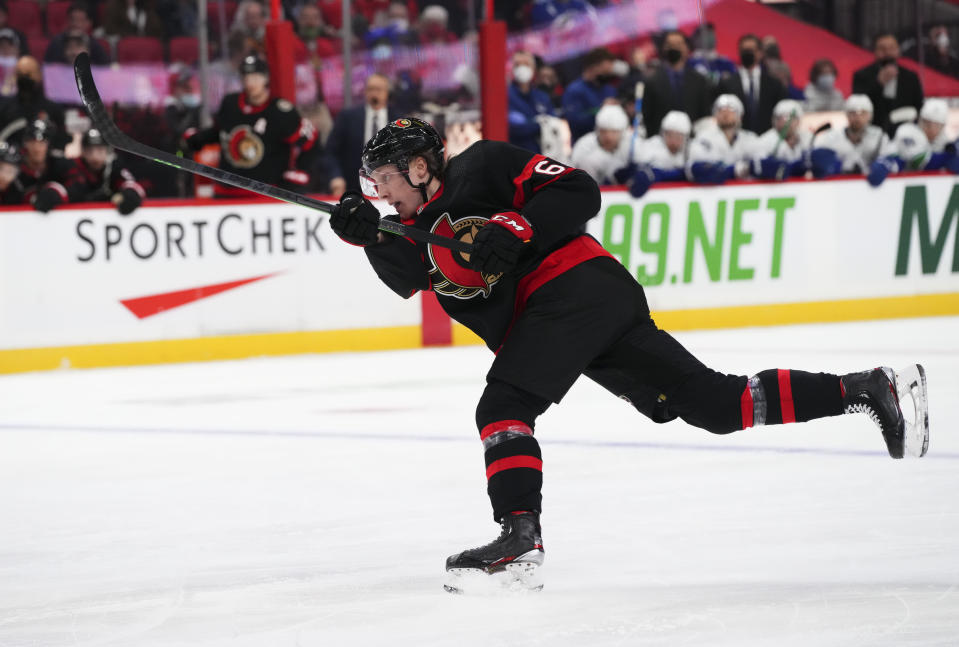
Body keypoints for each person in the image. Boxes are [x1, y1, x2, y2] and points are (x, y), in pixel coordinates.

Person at [324, 116, 928, 593]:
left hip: (576, 288)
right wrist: (366, 234)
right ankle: (869, 387)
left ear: (421, 165)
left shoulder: (482, 165)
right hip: (569, 315)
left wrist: (518, 225)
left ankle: (518, 537)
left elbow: (578, 188)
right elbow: (407, 273)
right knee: (717, 405)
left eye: (383, 179)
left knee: (504, 404)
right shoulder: (407, 231)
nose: (376, 190)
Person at [184, 55, 318, 198]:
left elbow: (311, 141)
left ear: (265, 78)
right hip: (226, 191)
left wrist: (301, 171)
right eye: (246, 77)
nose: (250, 83)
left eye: (255, 77)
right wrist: (198, 138)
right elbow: (221, 132)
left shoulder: (281, 111)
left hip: (267, 194)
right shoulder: (231, 104)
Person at [325, 73, 396, 196]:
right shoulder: (347, 117)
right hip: (353, 187)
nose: (374, 93)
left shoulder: (398, 119)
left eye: (378, 89)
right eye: (370, 89)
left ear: (387, 92)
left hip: (390, 188)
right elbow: (330, 152)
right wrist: (335, 177)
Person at [866, 98, 959, 187]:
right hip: (892, 177)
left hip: (916, 184)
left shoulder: (942, 137)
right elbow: (919, 162)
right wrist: (948, 157)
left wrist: (953, 152)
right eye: (927, 122)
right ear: (920, 120)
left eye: (937, 125)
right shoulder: (907, 131)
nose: (931, 128)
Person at [641, 30, 712, 137]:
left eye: (678, 44)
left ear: (687, 48)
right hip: (661, 142)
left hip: (693, 140)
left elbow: (704, 115)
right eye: (670, 44)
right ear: (664, 48)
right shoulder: (652, 81)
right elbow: (647, 116)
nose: (674, 48)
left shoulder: (699, 80)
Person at [852, 33, 923, 137]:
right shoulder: (862, 76)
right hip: (871, 132)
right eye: (882, 49)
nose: (887, 52)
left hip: (904, 131)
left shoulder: (911, 77)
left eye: (891, 48)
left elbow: (919, 106)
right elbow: (857, 104)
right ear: (875, 51)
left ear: (898, 50)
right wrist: (879, 83)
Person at [810, 94, 896, 180]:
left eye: (863, 113)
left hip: (870, 188)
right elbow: (816, 161)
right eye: (853, 113)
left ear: (870, 115)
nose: (858, 117)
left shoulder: (879, 136)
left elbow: (893, 161)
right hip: (840, 186)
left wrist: (885, 165)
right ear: (846, 115)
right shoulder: (831, 137)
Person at [716, 33, 788, 135]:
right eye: (744, 50)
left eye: (751, 50)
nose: (747, 54)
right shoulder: (727, 84)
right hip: (736, 140)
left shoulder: (774, 84)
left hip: (766, 139)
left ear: (760, 53)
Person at [65, 130, 145, 214]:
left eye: (99, 150)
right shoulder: (75, 166)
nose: (94, 156)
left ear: (107, 151)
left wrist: (130, 194)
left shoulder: (114, 166)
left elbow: (131, 184)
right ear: (83, 152)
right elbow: (69, 190)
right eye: (89, 151)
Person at [687, 93, 759, 184]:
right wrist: (734, 170)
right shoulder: (704, 137)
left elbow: (759, 165)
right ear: (715, 115)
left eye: (731, 110)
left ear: (740, 116)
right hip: (713, 194)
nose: (725, 114)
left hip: (745, 193)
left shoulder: (750, 138)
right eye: (721, 110)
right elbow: (702, 170)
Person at [0, 56, 67, 150]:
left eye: (28, 75)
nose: (24, 79)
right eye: (20, 75)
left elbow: (60, 142)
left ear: (39, 75)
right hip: (11, 158)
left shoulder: (53, 109)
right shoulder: (4, 108)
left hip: (44, 160)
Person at [626, 109, 691, 198]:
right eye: (669, 135)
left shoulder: (689, 151)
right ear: (663, 133)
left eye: (678, 136)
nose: (673, 141)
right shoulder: (650, 148)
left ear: (685, 138)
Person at [561, 47, 618, 142]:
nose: (607, 77)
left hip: (610, 144)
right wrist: (601, 111)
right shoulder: (574, 91)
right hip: (585, 145)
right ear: (592, 68)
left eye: (609, 73)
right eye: (604, 72)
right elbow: (575, 121)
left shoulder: (609, 89)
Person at [17, 120, 74, 213]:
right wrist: (30, 197)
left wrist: (58, 192)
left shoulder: (61, 165)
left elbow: (79, 187)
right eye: (32, 142)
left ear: (49, 145)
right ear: (25, 144)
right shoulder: (17, 169)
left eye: (42, 142)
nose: (37, 148)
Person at [569, 104, 631, 185]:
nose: (609, 137)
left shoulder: (630, 144)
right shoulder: (584, 146)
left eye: (614, 132)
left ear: (622, 132)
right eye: (604, 131)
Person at [507, 50, 555, 154]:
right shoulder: (505, 97)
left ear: (533, 69)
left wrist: (530, 124)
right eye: (517, 65)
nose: (522, 68)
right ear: (512, 69)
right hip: (515, 155)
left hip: (542, 154)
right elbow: (515, 129)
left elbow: (553, 124)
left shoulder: (542, 97)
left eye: (526, 64)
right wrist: (539, 124)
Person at [750, 98, 810, 180]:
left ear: (798, 121)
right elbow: (759, 167)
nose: (786, 122)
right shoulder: (764, 141)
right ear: (774, 121)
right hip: (773, 189)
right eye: (781, 118)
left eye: (791, 118)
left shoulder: (807, 138)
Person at [44, 3, 111, 65]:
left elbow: (105, 68)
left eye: (80, 20)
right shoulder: (57, 42)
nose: (75, 24)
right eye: (72, 19)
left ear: (89, 23)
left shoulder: (94, 45)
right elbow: (49, 68)